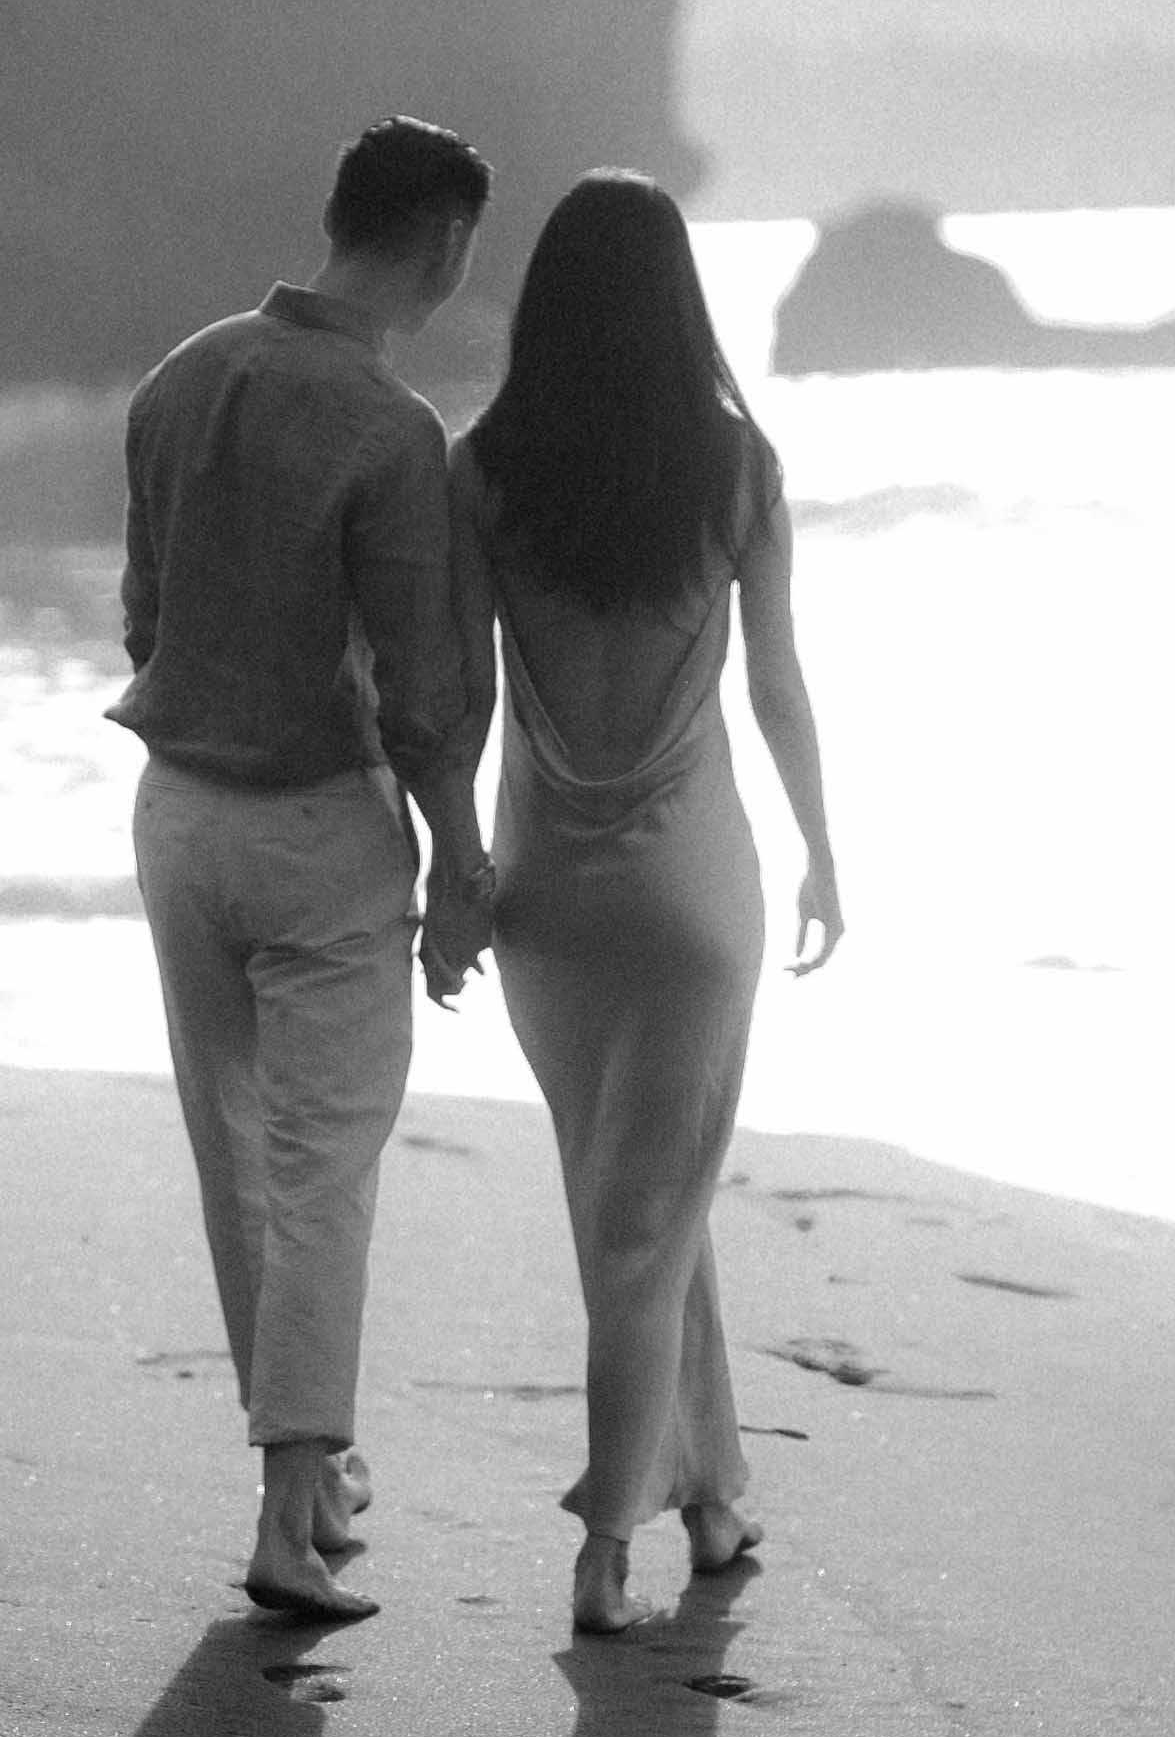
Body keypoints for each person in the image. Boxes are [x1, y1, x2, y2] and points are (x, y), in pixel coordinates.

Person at [115, 115, 498, 1627]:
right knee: (323, 1170)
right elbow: (421, 692)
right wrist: (461, 862)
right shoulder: (389, 430)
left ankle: (315, 1478)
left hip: (177, 816)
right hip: (317, 829)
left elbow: (142, 617)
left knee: (237, 1158)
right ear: (446, 244)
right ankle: (289, 1515)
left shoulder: (179, 376)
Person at [450, 168, 844, 1638]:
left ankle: (715, 1490)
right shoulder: (737, 467)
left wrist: (450, 868)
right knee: (651, 1209)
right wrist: (822, 849)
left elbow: (459, 699)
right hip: (693, 896)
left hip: (549, 897)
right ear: (682, 301)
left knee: (630, 1196)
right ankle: (606, 1543)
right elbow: (778, 685)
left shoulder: (482, 471)